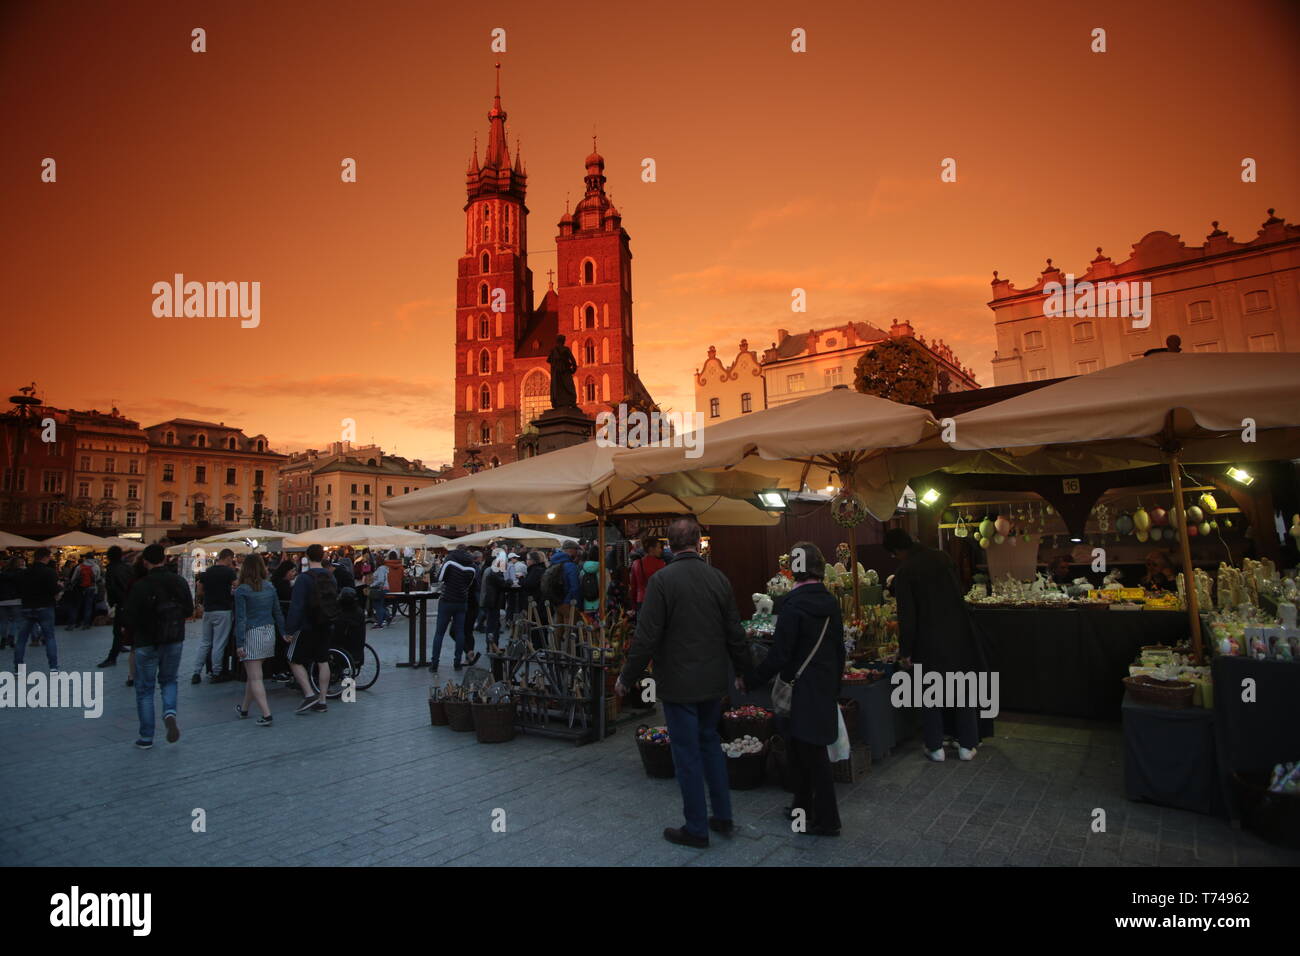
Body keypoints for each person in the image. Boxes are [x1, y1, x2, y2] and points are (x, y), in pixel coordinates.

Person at [616, 517, 749, 848]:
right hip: (712, 680)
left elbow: (646, 637)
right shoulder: (718, 578)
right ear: (698, 541)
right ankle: (723, 815)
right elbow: (735, 631)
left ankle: (696, 827)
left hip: (677, 681)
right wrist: (746, 670)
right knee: (710, 746)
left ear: (670, 545)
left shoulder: (662, 581)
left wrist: (626, 677)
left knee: (686, 754)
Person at [749, 541, 845, 836]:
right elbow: (838, 651)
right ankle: (801, 809)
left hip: (799, 688)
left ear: (793, 570)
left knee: (811, 757)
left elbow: (780, 655)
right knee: (807, 752)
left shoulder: (791, 605)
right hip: (823, 686)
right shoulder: (831, 604)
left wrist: (751, 679)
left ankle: (828, 821)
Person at [884, 528, 984, 762]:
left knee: (930, 692)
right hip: (958, 634)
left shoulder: (905, 571)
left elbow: (907, 616)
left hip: (927, 640)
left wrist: (905, 651)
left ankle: (935, 747)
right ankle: (967, 746)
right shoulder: (943, 557)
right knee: (961, 689)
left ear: (897, 550)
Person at [124, 544, 193, 749]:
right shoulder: (178, 581)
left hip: (146, 641)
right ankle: (169, 712)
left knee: (144, 689)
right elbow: (188, 609)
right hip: (173, 639)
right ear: (164, 559)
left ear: (146, 562)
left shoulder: (141, 585)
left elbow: (129, 616)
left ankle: (146, 737)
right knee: (169, 680)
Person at [283, 544, 336, 714]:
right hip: (326, 623)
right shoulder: (330, 576)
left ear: (307, 556)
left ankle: (308, 693)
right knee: (323, 660)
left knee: (293, 659)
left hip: (307, 625)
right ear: (323, 557)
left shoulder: (304, 579)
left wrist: (290, 630)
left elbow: (296, 607)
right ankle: (322, 700)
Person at [233, 553, 283, 726]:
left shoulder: (241, 590)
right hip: (268, 631)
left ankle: (266, 714)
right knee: (253, 675)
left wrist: (239, 643)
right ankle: (244, 709)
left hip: (251, 633)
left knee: (255, 677)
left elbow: (241, 619)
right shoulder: (269, 587)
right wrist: (283, 632)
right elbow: (277, 612)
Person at [192, 548, 238, 684]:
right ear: (228, 557)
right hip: (223, 610)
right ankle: (217, 672)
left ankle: (196, 672)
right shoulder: (229, 572)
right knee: (219, 643)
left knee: (205, 642)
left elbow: (199, 589)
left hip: (208, 609)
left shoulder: (208, 571)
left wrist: (207, 595)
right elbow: (237, 586)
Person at [431, 546, 477, 673]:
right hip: (462, 601)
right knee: (460, 632)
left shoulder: (450, 560)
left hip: (447, 600)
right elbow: (469, 583)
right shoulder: (472, 565)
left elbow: (439, 578)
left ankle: (434, 663)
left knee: (439, 633)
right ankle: (457, 662)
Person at [15, 547, 59, 669]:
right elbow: (53, 590)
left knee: (22, 639)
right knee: (49, 637)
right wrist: (60, 587)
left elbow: (18, 590)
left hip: (27, 607)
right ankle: (53, 667)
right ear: (45, 557)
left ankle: (18, 667)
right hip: (45, 607)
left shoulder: (24, 572)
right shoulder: (49, 572)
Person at [98, 546, 135, 667]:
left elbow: (111, 587)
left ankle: (112, 657)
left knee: (117, 630)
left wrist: (112, 602)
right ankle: (122, 647)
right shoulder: (127, 567)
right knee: (127, 627)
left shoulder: (111, 569)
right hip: (131, 601)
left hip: (121, 602)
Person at [269, 559, 298, 681]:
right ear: (285, 572)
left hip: (277, 618)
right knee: (282, 645)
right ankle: (280, 670)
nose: (293, 573)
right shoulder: (283, 585)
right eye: (292, 571)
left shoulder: (275, 582)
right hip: (282, 618)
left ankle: (279, 670)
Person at [628, 536, 665, 611]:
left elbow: (633, 586)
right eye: (659, 547)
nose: (661, 550)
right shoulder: (661, 564)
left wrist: (634, 605)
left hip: (641, 600)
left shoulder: (636, 563)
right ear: (651, 549)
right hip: (657, 601)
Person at [0, 553, 26, 650]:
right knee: (16, 620)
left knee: (3, 621)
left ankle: (3, 639)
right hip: (16, 599)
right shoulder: (21, 573)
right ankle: (11, 636)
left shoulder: (2, 573)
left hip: (2, 600)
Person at [580, 544, 602, 618]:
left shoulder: (583, 571)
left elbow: (580, 585)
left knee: (589, 627)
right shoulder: (603, 571)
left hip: (586, 605)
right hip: (600, 606)